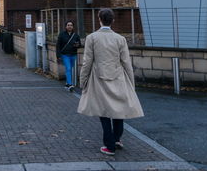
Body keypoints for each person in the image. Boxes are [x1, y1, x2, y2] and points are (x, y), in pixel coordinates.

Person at [78, 8, 143, 156]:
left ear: (99, 19)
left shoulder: (92, 38)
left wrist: (83, 81)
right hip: (118, 77)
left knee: (104, 112)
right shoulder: (120, 39)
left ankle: (109, 145)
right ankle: (117, 139)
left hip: (98, 77)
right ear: (112, 20)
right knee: (118, 110)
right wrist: (131, 84)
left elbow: (87, 62)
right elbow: (126, 62)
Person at [55, 20, 81, 92]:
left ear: (73, 27)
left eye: (71, 25)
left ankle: (67, 83)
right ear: (66, 26)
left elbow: (79, 45)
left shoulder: (76, 35)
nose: (70, 26)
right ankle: (70, 84)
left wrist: (77, 45)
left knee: (70, 69)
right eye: (68, 25)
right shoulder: (62, 34)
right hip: (65, 55)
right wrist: (58, 55)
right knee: (68, 68)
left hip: (73, 54)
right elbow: (58, 46)